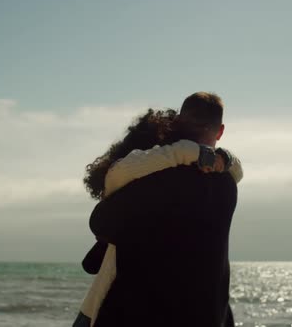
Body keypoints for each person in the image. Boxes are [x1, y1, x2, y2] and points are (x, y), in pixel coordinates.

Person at [75, 92, 241, 327]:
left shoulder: (155, 181)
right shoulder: (227, 185)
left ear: (178, 126)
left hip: (137, 313)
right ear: (220, 131)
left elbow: (100, 221)